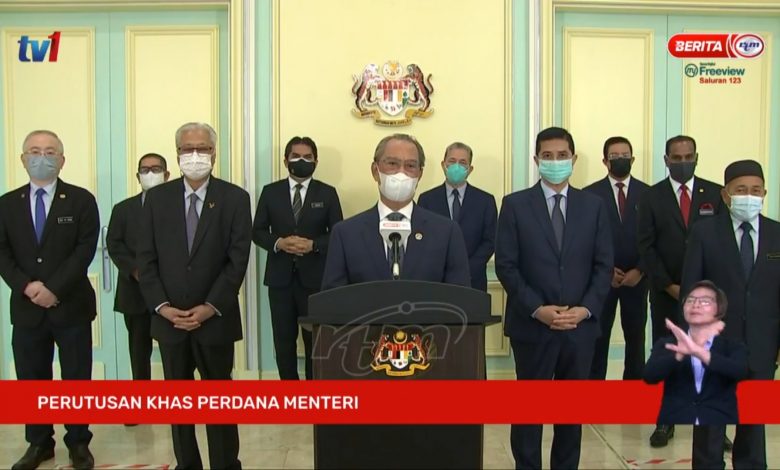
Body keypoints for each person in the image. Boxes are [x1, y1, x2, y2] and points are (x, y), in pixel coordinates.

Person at [495, 126, 613, 469]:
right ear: (536, 160)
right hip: (533, 327)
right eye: (548, 156)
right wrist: (537, 309)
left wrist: (585, 309)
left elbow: (604, 265)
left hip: (579, 328)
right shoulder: (515, 205)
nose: (555, 161)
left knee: (570, 416)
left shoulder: (594, 206)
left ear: (573, 159)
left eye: (562, 155)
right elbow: (506, 266)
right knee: (529, 414)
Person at [137, 122, 251, 470]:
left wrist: (209, 307)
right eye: (188, 149)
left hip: (214, 320)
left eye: (202, 148)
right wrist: (162, 307)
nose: (195, 155)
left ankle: (225, 464)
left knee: (219, 402)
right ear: (177, 154)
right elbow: (146, 259)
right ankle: (187, 464)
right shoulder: (157, 199)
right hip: (169, 321)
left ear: (214, 154)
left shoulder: (235, 198)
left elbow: (237, 260)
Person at [0, 130, 98, 470]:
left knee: (76, 378)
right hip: (26, 308)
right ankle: (39, 443)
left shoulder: (81, 200)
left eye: (50, 152)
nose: (42, 158)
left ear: (62, 160)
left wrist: (53, 288)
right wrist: (27, 286)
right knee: (31, 380)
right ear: (23, 159)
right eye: (35, 151)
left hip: (71, 306)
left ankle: (79, 443)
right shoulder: (6, 204)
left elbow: (84, 250)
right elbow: (2, 253)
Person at [681, 159, 780, 469]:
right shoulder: (705, 233)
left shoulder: (776, 233)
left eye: (756, 190)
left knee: (753, 424)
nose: (749, 196)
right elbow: (691, 291)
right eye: (741, 190)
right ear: (726, 195)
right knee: (710, 426)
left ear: (764, 194)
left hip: (761, 346)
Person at [637, 135, 724, 447]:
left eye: (689, 157)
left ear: (696, 158)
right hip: (667, 294)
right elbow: (646, 246)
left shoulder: (715, 194)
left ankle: (716, 426)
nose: (683, 162)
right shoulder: (651, 196)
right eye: (677, 158)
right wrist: (670, 286)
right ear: (666, 160)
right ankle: (666, 421)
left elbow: (723, 244)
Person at [321, 133, 470, 290]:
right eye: (392, 163)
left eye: (410, 166)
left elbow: (460, 296)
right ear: (375, 170)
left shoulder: (447, 232)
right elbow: (332, 299)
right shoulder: (345, 234)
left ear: (419, 174)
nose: (401, 173)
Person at [253, 136, 343, 380]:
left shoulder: (327, 193)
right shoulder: (270, 192)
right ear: (285, 161)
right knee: (283, 339)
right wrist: (279, 243)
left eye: (307, 157)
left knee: (316, 340)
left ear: (315, 161)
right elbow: (257, 231)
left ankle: (314, 391)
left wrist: (314, 245)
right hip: (279, 280)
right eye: (296, 156)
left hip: (315, 281)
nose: (301, 161)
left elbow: (338, 233)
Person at [643, 281, 748, 469]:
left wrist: (702, 354)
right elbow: (649, 375)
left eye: (705, 301)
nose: (696, 305)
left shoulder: (731, 346)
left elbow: (740, 371)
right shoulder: (669, 343)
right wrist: (678, 355)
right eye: (691, 301)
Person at [584, 137, 649, 380]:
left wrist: (640, 270)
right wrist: (606, 270)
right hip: (602, 279)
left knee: (636, 339)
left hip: (637, 279)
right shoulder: (590, 195)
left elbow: (654, 237)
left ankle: (634, 390)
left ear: (632, 159)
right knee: (598, 338)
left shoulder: (648, 194)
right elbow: (585, 239)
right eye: (614, 156)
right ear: (605, 161)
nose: (620, 160)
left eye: (625, 156)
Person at [107, 153, 170, 390]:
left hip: (170, 292)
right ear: (137, 176)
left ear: (167, 174)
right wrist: (135, 271)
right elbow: (114, 244)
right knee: (138, 351)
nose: (150, 174)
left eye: (156, 169)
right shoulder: (123, 209)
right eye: (145, 170)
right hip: (135, 293)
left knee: (172, 352)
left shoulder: (178, 206)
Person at [417, 142, 497, 291]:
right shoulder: (427, 199)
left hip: (474, 281)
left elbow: (490, 241)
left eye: (462, 162)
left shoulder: (485, 201)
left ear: (470, 169)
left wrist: (467, 270)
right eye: (452, 161)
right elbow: (422, 238)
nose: (456, 166)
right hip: (435, 281)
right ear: (443, 165)